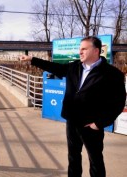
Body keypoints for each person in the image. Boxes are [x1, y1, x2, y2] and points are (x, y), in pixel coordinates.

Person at [20, 36, 126, 177]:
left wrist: (99, 123)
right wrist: (32, 60)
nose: (80, 52)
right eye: (79, 49)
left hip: (91, 125)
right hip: (72, 121)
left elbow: (118, 103)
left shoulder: (112, 74)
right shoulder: (74, 67)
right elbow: (55, 67)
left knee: (95, 161)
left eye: (84, 49)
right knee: (73, 157)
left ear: (96, 51)